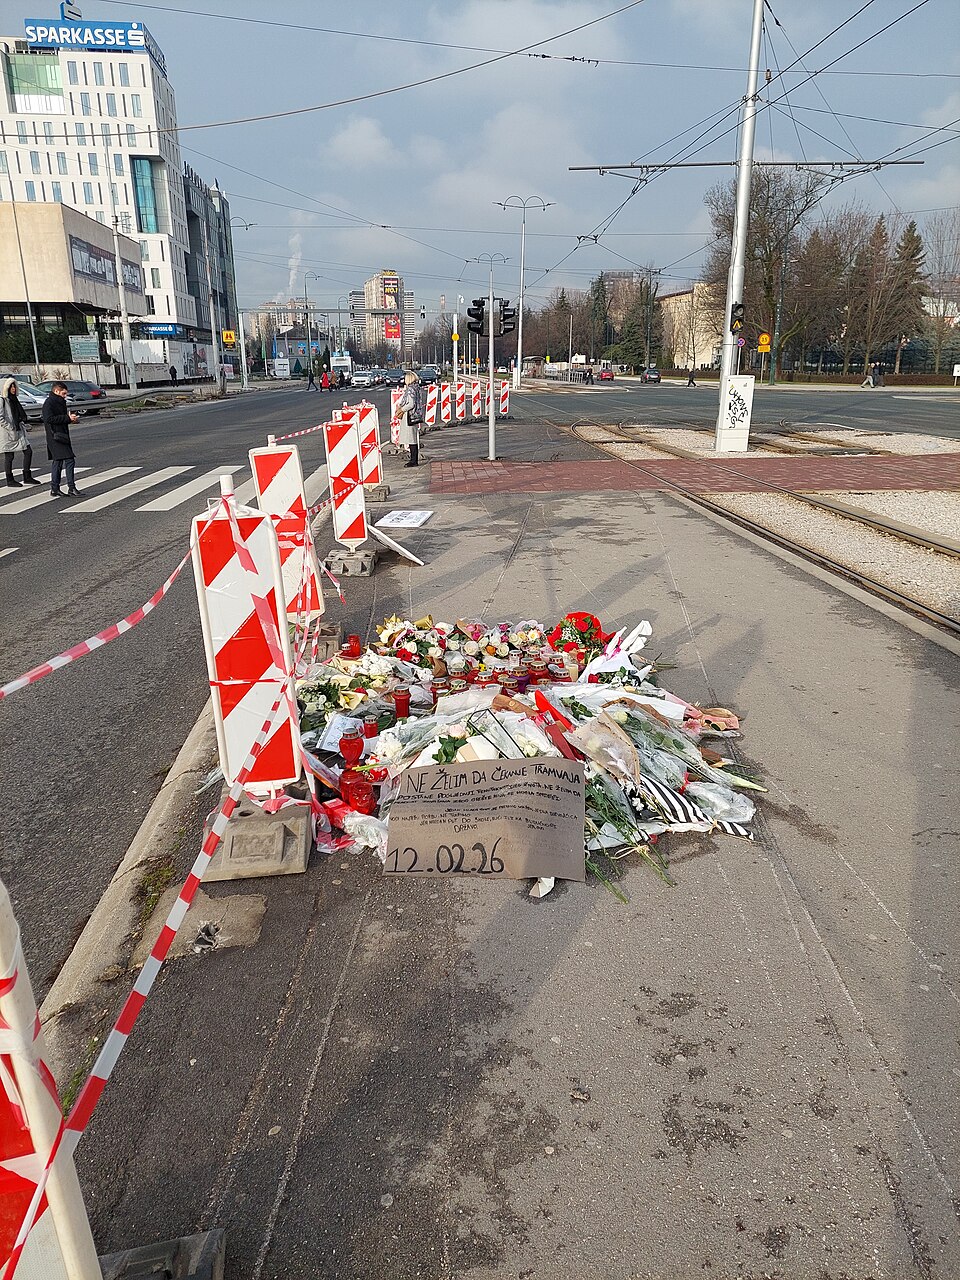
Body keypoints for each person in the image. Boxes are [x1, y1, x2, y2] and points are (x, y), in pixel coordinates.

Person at [42, 381, 81, 497]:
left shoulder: (59, 402)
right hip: (55, 436)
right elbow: (49, 419)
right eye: (63, 393)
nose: (65, 396)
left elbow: (61, 419)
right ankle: (71, 487)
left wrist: (70, 419)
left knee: (58, 462)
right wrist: (67, 418)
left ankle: (55, 488)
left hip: (60, 435)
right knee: (69, 460)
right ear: (56, 391)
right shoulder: (49, 403)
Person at [1, 377, 42, 488]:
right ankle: (10, 480)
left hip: (18, 430)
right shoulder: (3, 400)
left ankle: (27, 476)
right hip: (8, 433)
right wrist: (10, 427)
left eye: (14, 386)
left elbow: (20, 414)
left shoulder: (14, 399)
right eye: (11, 386)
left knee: (28, 451)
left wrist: (22, 424)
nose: (13, 388)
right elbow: (0, 417)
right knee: (9, 456)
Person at [393, 371, 425, 468]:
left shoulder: (411, 389)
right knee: (412, 438)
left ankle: (413, 460)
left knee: (411, 439)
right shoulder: (416, 387)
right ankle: (413, 459)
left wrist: (401, 409)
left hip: (409, 415)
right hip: (415, 415)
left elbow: (410, 404)